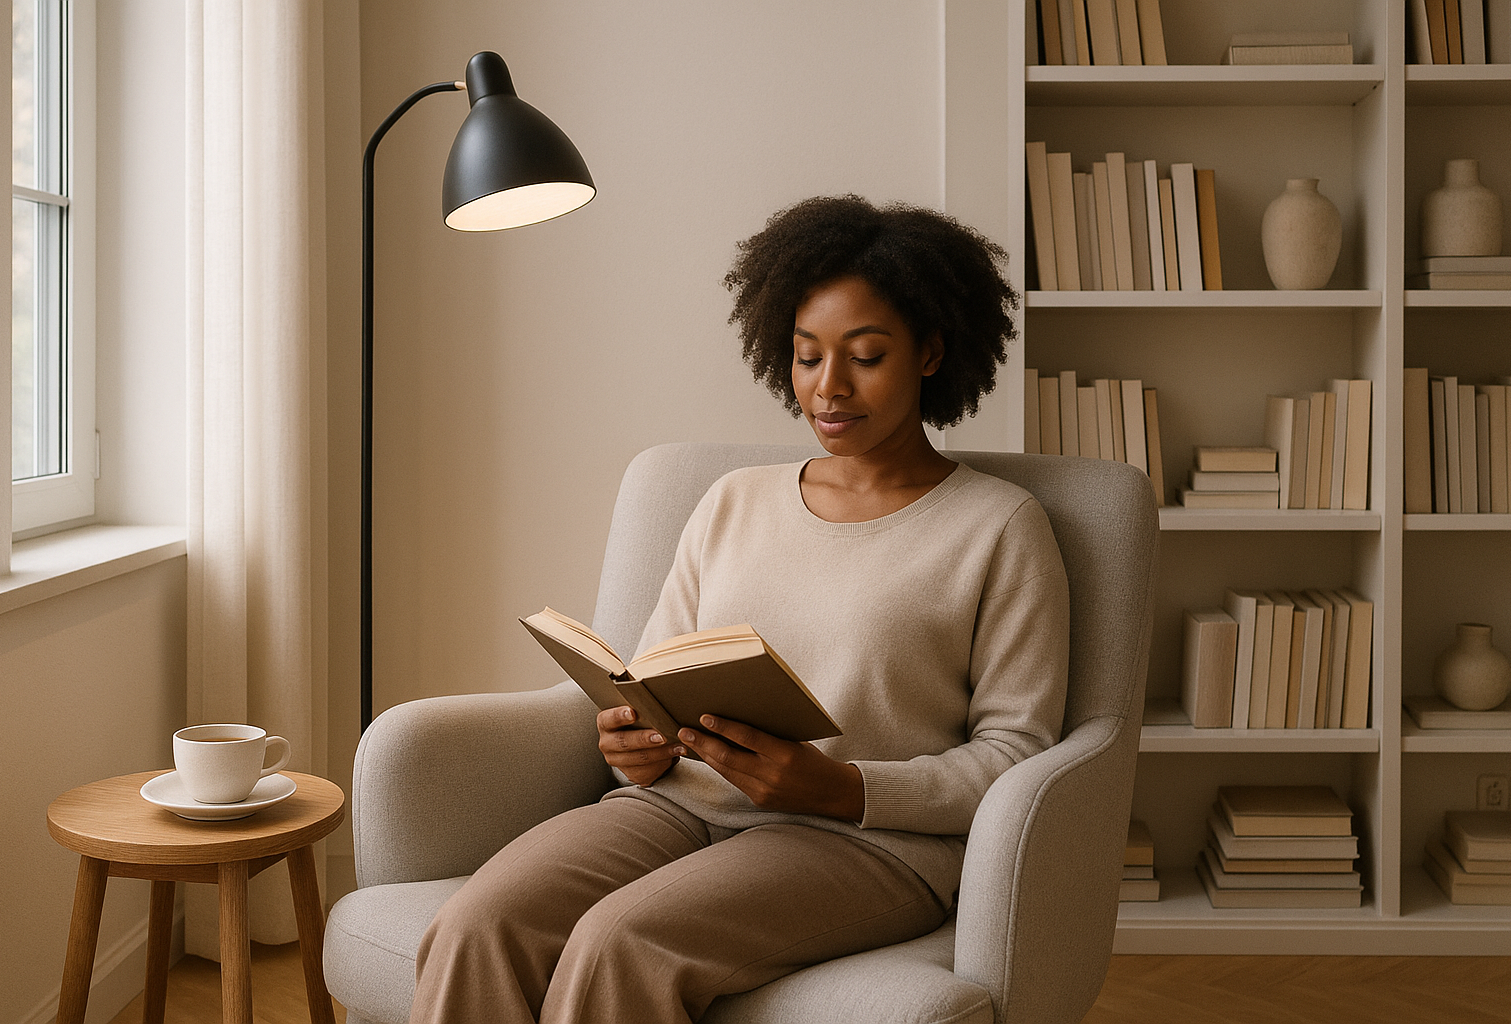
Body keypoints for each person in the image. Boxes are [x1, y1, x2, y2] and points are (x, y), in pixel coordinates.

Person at [410, 194, 1070, 1024]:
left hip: (864, 844)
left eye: (865, 356)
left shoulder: (999, 527)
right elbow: (649, 680)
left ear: (932, 352)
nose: (828, 388)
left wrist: (843, 787)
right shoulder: (733, 501)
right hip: (676, 803)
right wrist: (631, 745)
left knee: (621, 943)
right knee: (476, 923)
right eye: (805, 357)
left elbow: (1017, 753)